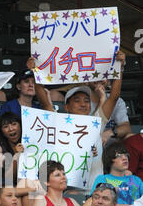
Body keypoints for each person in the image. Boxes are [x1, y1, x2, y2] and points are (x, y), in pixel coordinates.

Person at [28, 50, 126, 188]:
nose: (83, 104)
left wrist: (119, 67)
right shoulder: (58, 122)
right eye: (77, 100)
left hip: (93, 189)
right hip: (65, 188)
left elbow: (114, 96)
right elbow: (45, 102)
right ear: (66, 106)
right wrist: (35, 71)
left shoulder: (96, 122)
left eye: (86, 100)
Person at [84, 142, 143, 206]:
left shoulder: (136, 180)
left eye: (126, 155)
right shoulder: (103, 179)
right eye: (118, 156)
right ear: (109, 160)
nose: (124, 158)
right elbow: (98, 203)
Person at [88, 80, 132, 146]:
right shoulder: (82, 102)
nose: (100, 78)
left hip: (112, 149)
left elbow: (126, 128)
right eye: (95, 75)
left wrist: (110, 132)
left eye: (104, 75)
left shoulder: (118, 101)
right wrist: (101, 100)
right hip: (89, 147)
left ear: (108, 82)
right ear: (86, 82)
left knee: (131, 137)